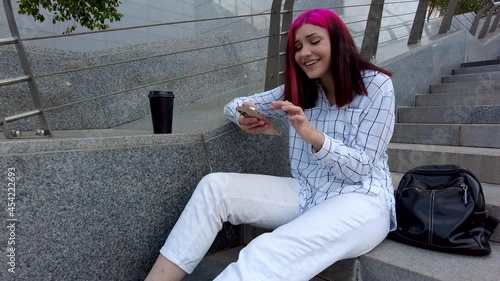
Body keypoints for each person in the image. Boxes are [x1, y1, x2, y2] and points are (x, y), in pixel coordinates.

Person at [145, 8, 396, 281]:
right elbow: (238, 104)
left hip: (361, 200)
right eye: (298, 47)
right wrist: (244, 117)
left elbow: (360, 169)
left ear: (338, 41)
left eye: (314, 41)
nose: (304, 53)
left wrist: (313, 136)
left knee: (269, 250)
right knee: (214, 188)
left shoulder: (377, 87)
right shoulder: (300, 90)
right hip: (307, 192)